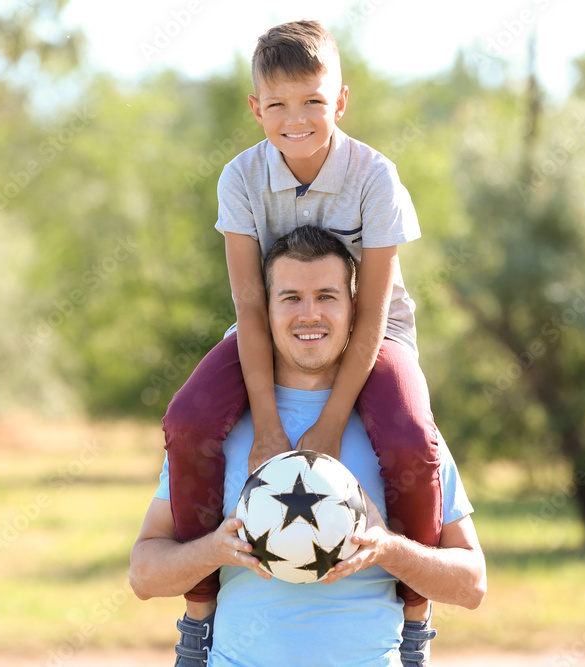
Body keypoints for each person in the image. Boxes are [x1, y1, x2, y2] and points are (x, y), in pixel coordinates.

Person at [163, 19, 445, 628]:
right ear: (255, 109)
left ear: (340, 100)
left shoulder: (376, 178)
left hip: (375, 329)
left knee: (411, 439)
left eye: (314, 101)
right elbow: (248, 305)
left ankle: (416, 617)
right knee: (186, 421)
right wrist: (266, 425)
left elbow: (371, 309)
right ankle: (199, 612)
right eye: (279, 104)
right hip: (270, 325)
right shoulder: (240, 178)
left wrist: (332, 423)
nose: (298, 117)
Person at [133, 226, 487, 667]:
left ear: (356, 309)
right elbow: (143, 574)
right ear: (263, 309)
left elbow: (472, 585)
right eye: (290, 298)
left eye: (326, 296)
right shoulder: (219, 428)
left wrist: (389, 548)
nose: (309, 315)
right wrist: (215, 551)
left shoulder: (399, 428)